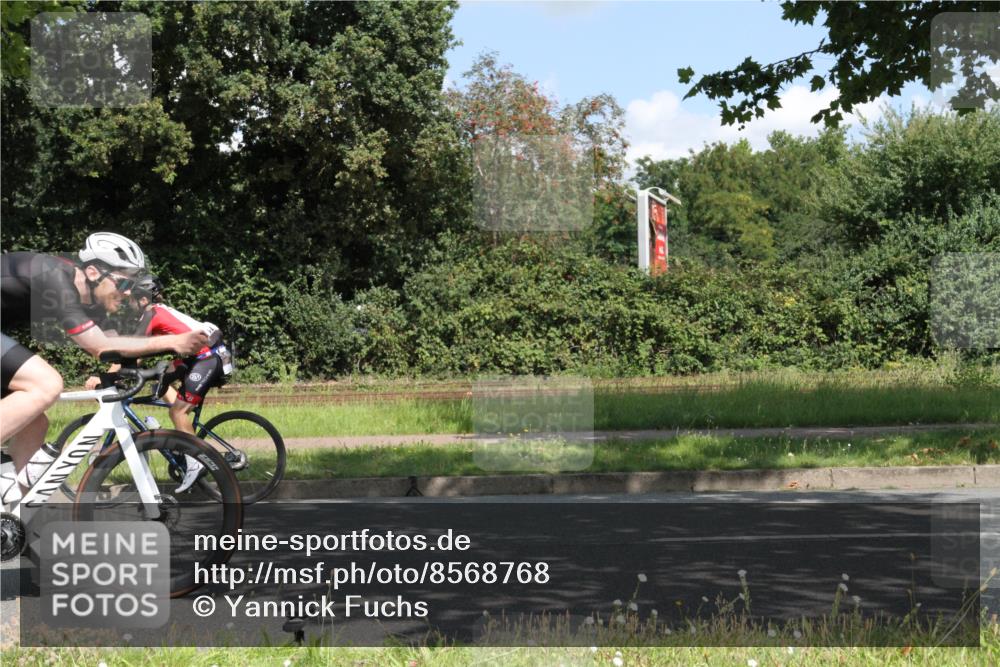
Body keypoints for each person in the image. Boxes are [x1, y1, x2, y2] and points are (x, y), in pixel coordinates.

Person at [1, 233, 209, 497]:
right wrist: (174, 340)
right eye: (123, 283)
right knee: (46, 384)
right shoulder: (55, 279)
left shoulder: (90, 302)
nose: (126, 293)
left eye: (131, 286)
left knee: (34, 423)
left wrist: (166, 363)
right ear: (91, 271)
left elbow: (115, 346)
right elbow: (99, 347)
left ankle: (15, 521)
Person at [86, 273, 233, 492]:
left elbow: (132, 352)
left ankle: (196, 461)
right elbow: (139, 353)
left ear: (144, 299)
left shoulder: (152, 314)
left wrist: (106, 377)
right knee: (159, 385)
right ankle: (172, 436)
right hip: (197, 357)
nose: (132, 304)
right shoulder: (159, 311)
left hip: (207, 358)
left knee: (178, 413)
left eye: (134, 299)